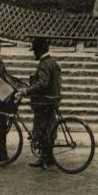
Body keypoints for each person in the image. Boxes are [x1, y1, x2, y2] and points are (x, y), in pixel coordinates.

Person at [23, 37, 62, 168]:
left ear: (39, 51)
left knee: (42, 128)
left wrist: (27, 91)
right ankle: (49, 157)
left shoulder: (44, 64)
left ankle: (44, 158)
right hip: (53, 99)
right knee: (50, 127)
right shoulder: (52, 62)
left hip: (44, 102)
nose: (33, 53)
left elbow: (42, 84)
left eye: (35, 51)